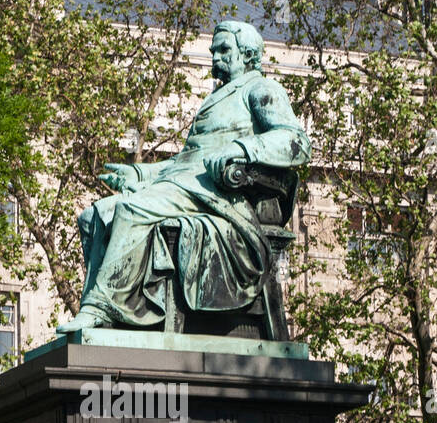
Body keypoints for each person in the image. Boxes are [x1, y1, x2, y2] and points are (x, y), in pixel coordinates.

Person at [57, 19, 311, 333]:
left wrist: (242, 148)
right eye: (213, 51)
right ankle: (116, 322)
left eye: (223, 50)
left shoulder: (261, 89)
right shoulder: (215, 99)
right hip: (186, 182)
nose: (215, 57)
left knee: (131, 210)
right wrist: (140, 173)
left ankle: (100, 308)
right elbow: (187, 160)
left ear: (247, 53)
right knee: (96, 215)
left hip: (221, 194)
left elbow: (296, 142)